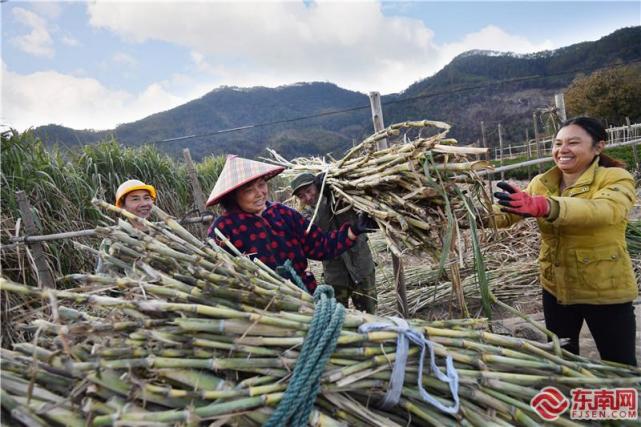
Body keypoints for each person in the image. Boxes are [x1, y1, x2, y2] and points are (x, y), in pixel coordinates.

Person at [492, 116, 637, 366]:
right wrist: (459, 214)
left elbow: (603, 210)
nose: (563, 150)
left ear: (598, 146)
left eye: (573, 143)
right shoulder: (543, 183)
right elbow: (506, 215)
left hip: (605, 290)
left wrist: (546, 206)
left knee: (619, 365)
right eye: (558, 143)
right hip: (556, 289)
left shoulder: (615, 178)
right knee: (564, 360)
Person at [206, 155, 375, 295]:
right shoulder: (223, 229)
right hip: (260, 305)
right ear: (233, 197)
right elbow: (218, 274)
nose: (260, 193)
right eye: (249, 190)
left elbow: (320, 245)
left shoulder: (283, 214)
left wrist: (353, 230)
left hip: (303, 295)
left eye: (261, 185)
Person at [291, 172, 377, 313]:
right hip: (336, 276)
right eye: (301, 196)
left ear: (317, 186)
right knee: (339, 318)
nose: (307, 197)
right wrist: (323, 199)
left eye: (309, 190)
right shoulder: (305, 216)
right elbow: (319, 227)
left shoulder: (343, 197)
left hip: (362, 268)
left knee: (370, 313)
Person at [96, 179, 157, 274]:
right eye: (135, 199)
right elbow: (103, 279)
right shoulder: (112, 240)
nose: (144, 204)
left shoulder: (165, 232)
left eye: (146, 198)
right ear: (122, 206)